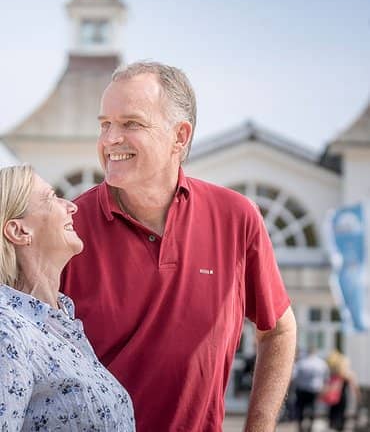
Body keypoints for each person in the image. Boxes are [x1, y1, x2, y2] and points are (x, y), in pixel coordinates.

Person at [61, 61, 297, 432]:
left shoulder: (236, 217)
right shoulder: (66, 228)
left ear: (180, 136)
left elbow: (278, 330)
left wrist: (260, 425)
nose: (110, 139)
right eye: (105, 124)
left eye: (131, 124)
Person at [0, 164, 135, 431]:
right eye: (51, 197)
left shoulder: (61, 324)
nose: (72, 206)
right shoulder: (7, 332)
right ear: (19, 231)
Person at [293, 346, 329, 432]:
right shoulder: (321, 363)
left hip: (302, 389)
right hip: (314, 389)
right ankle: (310, 427)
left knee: (300, 409)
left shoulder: (301, 362)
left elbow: (294, 375)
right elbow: (326, 377)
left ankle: (300, 426)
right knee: (312, 408)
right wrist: (324, 387)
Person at [325, 350, 361, 431]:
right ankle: (338, 428)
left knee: (333, 413)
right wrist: (358, 396)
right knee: (341, 414)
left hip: (334, 396)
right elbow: (355, 386)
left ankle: (334, 427)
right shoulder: (347, 373)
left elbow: (329, 385)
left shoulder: (334, 373)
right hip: (343, 396)